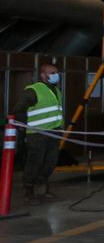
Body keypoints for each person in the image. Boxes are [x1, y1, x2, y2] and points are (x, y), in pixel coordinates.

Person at [18, 61, 65, 205]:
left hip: (54, 132)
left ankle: (42, 189)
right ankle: (29, 192)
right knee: (35, 162)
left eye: (56, 73)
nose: (56, 75)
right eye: (52, 73)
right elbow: (19, 109)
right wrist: (22, 127)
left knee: (50, 161)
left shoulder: (57, 91)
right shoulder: (33, 90)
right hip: (37, 134)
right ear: (43, 75)